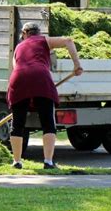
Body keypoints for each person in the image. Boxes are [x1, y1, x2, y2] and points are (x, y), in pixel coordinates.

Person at [7, 22, 83, 169]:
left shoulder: (18, 47)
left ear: (24, 34)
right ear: (38, 33)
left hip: (19, 78)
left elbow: (16, 67)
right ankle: (48, 161)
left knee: (18, 123)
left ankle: (17, 161)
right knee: (48, 121)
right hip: (41, 77)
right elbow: (68, 41)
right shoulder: (44, 40)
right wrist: (76, 65)